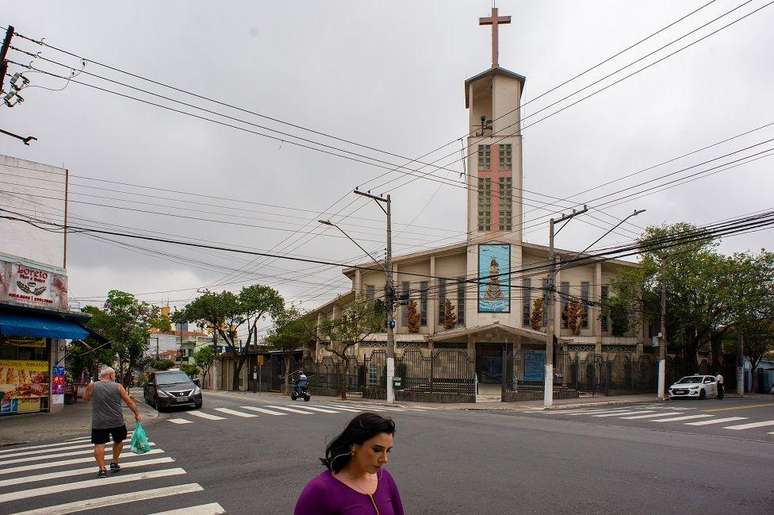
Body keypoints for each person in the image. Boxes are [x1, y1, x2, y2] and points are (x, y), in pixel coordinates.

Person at [295, 413, 404, 515]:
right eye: (376, 450)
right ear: (354, 446)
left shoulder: (385, 478)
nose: (384, 459)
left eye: (388, 450)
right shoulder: (319, 490)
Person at [84, 366, 141, 478]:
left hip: (99, 421)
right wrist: (137, 414)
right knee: (118, 441)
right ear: (110, 375)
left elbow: (85, 398)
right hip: (117, 421)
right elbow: (129, 402)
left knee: (99, 445)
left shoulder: (93, 385)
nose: (115, 376)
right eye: (114, 374)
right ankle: (114, 463)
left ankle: (102, 469)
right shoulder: (118, 386)